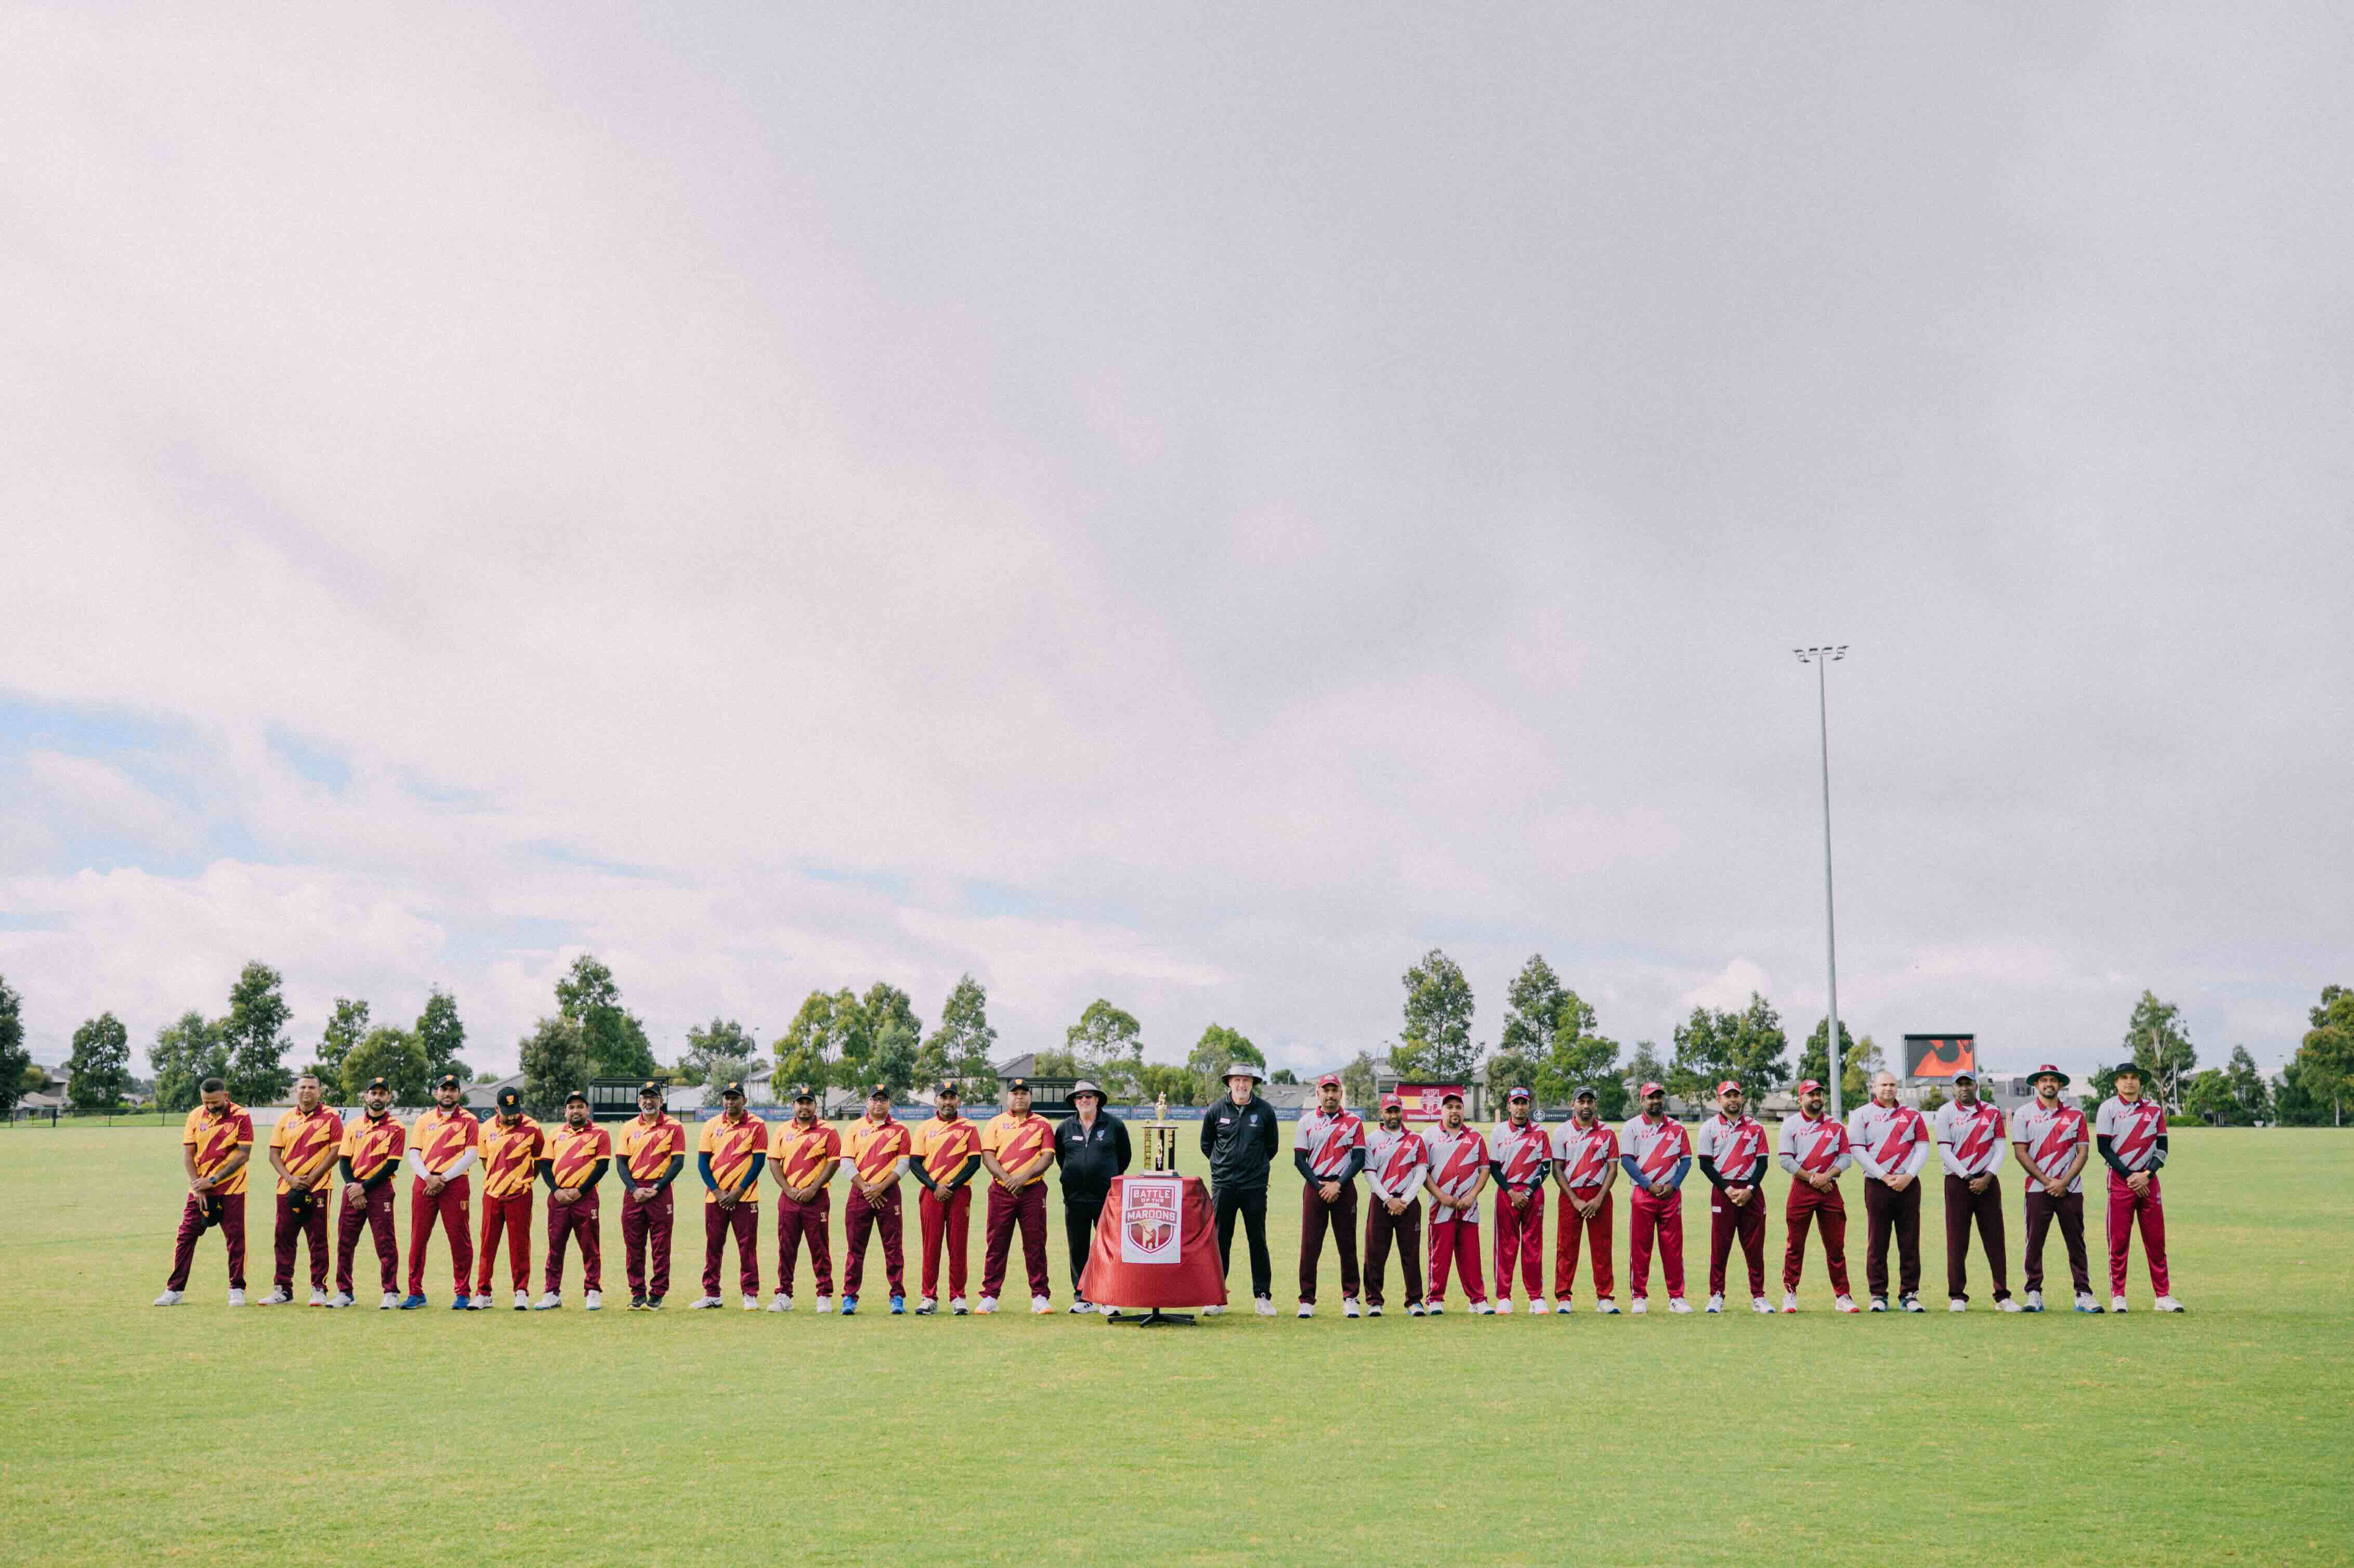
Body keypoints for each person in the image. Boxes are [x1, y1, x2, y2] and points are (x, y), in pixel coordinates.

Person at [154, 1076, 254, 1306]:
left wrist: (213, 1179)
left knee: (235, 1239)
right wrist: (196, 1185)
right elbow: (188, 1155)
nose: (210, 1107)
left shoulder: (242, 1117)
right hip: (200, 1190)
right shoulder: (195, 1116)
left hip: (232, 1188)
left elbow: (243, 1155)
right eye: (206, 1102)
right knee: (186, 1236)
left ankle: (237, 1288)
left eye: (215, 1103)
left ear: (225, 1096)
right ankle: (175, 1290)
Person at [2010, 1064, 2099, 1313]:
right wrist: (2048, 1181)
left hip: (2071, 1189)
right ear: (2037, 1085)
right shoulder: (2024, 1114)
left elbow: (2083, 1151)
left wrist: (2065, 1182)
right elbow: (2020, 1152)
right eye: (2044, 1080)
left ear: (2060, 1085)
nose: (2049, 1084)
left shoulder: (2075, 1115)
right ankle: (2034, 1293)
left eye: (2053, 1080)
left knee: (2076, 1241)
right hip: (2038, 1189)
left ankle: (2083, 1293)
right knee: (2035, 1242)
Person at [2096, 1063, 2183, 1312]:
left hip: (2148, 1182)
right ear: (2116, 1083)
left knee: (2156, 1241)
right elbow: (2104, 1148)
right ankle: (2119, 1296)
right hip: (2120, 1182)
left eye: (2134, 1078)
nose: (2129, 1082)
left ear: (2140, 1082)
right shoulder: (2108, 1109)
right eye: (2124, 1078)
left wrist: (2146, 1174)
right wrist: (2131, 1177)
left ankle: (2162, 1296)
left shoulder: (2154, 1110)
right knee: (2119, 1241)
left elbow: (2163, 1148)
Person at [1199, 1062, 1281, 1316]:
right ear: (1229, 1083)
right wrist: (1222, 1166)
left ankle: (1262, 1297)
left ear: (1252, 1084)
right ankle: (1216, 1297)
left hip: (1254, 1186)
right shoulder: (1216, 1110)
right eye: (1237, 1080)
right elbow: (1207, 1144)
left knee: (1257, 1239)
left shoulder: (1265, 1111)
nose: (1242, 1085)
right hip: (1224, 1185)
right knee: (1221, 1239)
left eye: (1246, 1080)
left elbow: (1272, 1148)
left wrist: (1254, 1169)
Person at [1933, 1070, 2019, 1312]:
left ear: (1976, 1086)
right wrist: (1968, 1176)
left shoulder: (1991, 1112)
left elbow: (2000, 1148)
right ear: (1953, 1089)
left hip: (1988, 1181)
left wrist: (1987, 1177)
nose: (1964, 1089)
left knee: (1995, 1239)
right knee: (1957, 1240)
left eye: (1968, 1084)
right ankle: (1957, 1296)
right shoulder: (1945, 1113)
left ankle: (2002, 1295)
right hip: (1957, 1181)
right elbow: (1945, 1151)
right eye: (1959, 1085)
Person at [1848, 1071, 1931, 1312]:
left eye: (1893, 1085)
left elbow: (1922, 1147)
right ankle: (1878, 1294)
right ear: (1873, 1087)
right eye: (1884, 1084)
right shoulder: (1862, 1114)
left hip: (1908, 1185)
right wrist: (1884, 1176)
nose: (1889, 1089)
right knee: (1878, 1240)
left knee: (1909, 1241)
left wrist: (1909, 1176)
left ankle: (1909, 1293)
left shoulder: (1912, 1115)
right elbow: (1858, 1149)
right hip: (1877, 1185)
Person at [397, 1074, 480, 1310]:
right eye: (443, 1089)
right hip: (424, 1183)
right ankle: (415, 1292)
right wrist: (428, 1178)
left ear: (459, 1094)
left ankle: (463, 1292)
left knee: (459, 1239)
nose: (448, 1094)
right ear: (436, 1093)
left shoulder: (469, 1120)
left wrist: (443, 1178)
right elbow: (414, 1153)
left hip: (454, 1185)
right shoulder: (424, 1120)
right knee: (418, 1238)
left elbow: (471, 1155)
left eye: (452, 1090)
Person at [1777, 1078, 1858, 1312]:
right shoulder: (1791, 1125)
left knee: (1835, 1246)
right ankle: (1790, 1293)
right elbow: (1785, 1160)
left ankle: (1842, 1296)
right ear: (1801, 1098)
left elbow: (1846, 1158)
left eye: (1819, 1094)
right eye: (1811, 1095)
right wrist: (1813, 1178)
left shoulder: (1835, 1126)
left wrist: (1828, 1175)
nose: (1816, 1099)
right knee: (1795, 1244)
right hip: (1802, 1189)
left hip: (1830, 1190)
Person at [261, 1073, 342, 1306]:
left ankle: (319, 1288)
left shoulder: (331, 1117)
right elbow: (274, 1153)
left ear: (319, 1091)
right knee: (283, 1238)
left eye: (312, 1087)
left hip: (319, 1188)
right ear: (296, 1091)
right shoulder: (285, 1119)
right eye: (303, 1087)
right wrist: (290, 1178)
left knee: (318, 1239)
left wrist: (312, 1178)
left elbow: (336, 1151)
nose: (307, 1091)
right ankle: (283, 1290)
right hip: (287, 1188)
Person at [1292, 1073, 1368, 1318]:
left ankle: (1351, 1298)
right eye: (1326, 1090)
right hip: (1315, 1189)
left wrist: (1338, 1185)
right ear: (1318, 1093)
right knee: (1310, 1246)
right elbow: (1299, 1160)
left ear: (1341, 1093)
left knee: (1347, 1245)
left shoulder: (1354, 1122)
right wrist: (1320, 1186)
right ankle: (1307, 1300)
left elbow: (1358, 1159)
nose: (1330, 1095)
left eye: (1334, 1090)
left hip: (1344, 1190)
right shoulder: (1306, 1122)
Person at [1053, 1079, 1130, 1314]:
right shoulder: (1065, 1128)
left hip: (1106, 1198)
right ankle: (1083, 1296)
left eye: (1089, 1096)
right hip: (1075, 1198)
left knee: (1108, 1248)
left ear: (1097, 1100)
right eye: (1080, 1097)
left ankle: (1109, 1297)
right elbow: (1062, 1158)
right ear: (1075, 1102)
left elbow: (1124, 1157)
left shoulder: (1115, 1125)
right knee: (1078, 1248)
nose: (1084, 1100)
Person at [1695, 1079, 1772, 1314]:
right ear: (1719, 1100)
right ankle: (1716, 1295)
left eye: (1736, 1096)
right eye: (1727, 1096)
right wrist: (1727, 1189)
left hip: (1751, 1192)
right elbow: (1705, 1165)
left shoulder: (1756, 1127)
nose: (1732, 1100)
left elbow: (1763, 1162)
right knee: (1720, 1246)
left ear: (1742, 1099)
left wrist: (1749, 1189)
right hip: (1723, 1192)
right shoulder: (1709, 1128)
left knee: (1755, 1247)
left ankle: (1758, 1296)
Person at [979, 1078, 1055, 1314]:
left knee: (1035, 1244)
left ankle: (1040, 1296)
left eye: (1024, 1093)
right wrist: (1007, 1179)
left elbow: (1047, 1157)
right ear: (1007, 1097)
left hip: (1032, 1191)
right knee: (996, 1243)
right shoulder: (995, 1123)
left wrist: (1022, 1179)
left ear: (1030, 1097)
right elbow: (988, 1156)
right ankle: (990, 1295)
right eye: (1015, 1093)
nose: (1019, 1097)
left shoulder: (1043, 1124)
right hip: (1001, 1191)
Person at [690, 1081, 766, 1310]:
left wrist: (738, 1191)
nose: (731, 1102)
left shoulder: (757, 1125)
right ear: (723, 1100)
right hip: (716, 1198)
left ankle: (750, 1293)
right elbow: (703, 1162)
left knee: (747, 1247)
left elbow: (759, 1162)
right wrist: (718, 1191)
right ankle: (712, 1293)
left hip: (745, 1198)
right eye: (727, 1098)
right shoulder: (712, 1125)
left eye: (735, 1098)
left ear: (745, 1100)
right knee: (713, 1246)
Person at [909, 1080, 983, 1315]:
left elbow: (974, 1162)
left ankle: (958, 1297)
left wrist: (951, 1185)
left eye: (952, 1098)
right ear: (936, 1101)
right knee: (931, 1246)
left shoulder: (968, 1127)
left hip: (959, 1193)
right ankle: (928, 1297)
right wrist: (934, 1186)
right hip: (932, 1194)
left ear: (958, 1101)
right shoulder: (924, 1128)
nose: (948, 1102)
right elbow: (915, 1162)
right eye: (944, 1097)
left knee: (958, 1246)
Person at [330, 1077, 406, 1308]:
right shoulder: (353, 1126)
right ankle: (345, 1292)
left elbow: (392, 1165)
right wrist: (354, 1187)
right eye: (374, 1093)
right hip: (353, 1189)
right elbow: (344, 1161)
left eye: (382, 1094)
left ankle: (390, 1291)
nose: (378, 1097)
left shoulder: (397, 1127)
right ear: (366, 1096)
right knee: (345, 1241)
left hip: (379, 1190)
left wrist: (364, 1188)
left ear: (389, 1098)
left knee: (385, 1243)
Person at [1620, 1082, 1693, 1313]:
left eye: (1659, 1097)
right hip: (1644, 1194)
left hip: (1671, 1196)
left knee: (1673, 1248)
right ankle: (1639, 1297)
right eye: (1651, 1098)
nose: (1655, 1101)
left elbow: (1687, 1160)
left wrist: (1674, 1184)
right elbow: (1627, 1161)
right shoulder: (1632, 1127)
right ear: (1642, 1101)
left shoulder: (1677, 1128)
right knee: (1640, 1247)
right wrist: (1648, 1185)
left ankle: (1677, 1297)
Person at [767, 1085, 840, 1314]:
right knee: (786, 1248)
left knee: (819, 1248)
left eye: (809, 1103)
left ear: (815, 1106)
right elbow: (774, 1162)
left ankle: (824, 1295)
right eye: (801, 1102)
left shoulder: (828, 1131)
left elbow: (834, 1162)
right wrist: (788, 1189)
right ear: (793, 1106)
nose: (805, 1107)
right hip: (789, 1199)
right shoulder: (781, 1131)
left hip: (817, 1198)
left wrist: (814, 1187)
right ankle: (784, 1295)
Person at [534, 1090, 610, 1310]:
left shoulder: (600, 1133)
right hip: (558, 1199)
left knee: (590, 1246)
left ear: (587, 1109)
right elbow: (545, 1165)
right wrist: (556, 1190)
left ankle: (593, 1291)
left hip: (585, 1198)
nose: (576, 1111)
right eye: (571, 1107)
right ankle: (551, 1293)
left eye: (580, 1107)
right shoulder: (555, 1133)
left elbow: (602, 1166)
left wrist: (581, 1190)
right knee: (555, 1246)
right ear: (565, 1111)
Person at [843, 1083, 913, 1315]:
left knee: (893, 1248)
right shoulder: (854, 1128)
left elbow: (904, 1164)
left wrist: (880, 1187)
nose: (879, 1103)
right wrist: (866, 1188)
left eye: (883, 1099)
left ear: (889, 1103)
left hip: (889, 1194)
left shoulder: (900, 1130)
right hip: (860, 1193)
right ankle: (850, 1297)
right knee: (855, 1249)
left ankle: (897, 1297)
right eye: (875, 1099)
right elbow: (846, 1162)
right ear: (867, 1102)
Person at [617, 1081, 686, 1310]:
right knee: (634, 1245)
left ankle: (657, 1294)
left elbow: (678, 1162)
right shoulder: (628, 1127)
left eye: (653, 1097)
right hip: (634, 1192)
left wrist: (657, 1187)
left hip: (661, 1192)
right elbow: (621, 1163)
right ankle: (637, 1293)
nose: (649, 1101)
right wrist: (634, 1189)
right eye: (645, 1097)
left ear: (661, 1100)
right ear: (639, 1101)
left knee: (661, 1246)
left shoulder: (674, 1127)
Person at [1550, 1087, 1619, 1315]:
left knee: (1602, 1248)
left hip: (1599, 1195)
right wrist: (1575, 1200)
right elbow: (1557, 1169)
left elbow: (1613, 1169)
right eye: (1582, 1102)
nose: (1586, 1106)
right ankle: (1563, 1297)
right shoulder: (1562, 1132)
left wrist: (1599, 1199)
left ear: (1595, 1105)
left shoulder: (1607, 1132)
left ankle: (1605, 1298)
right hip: (1571, 1196)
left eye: (1590, 1101)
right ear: (1573, 1104)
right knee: (1566, 1248)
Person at [472, 1086, 542, 1311]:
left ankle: (521, 1292)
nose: (511, 1116)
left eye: (515, 1111)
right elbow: (485, 1161)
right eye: (506, 1112)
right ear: (496, 1109)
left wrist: (524, 1180)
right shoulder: (486, 1128)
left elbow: (540, 1160)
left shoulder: (532, 1128)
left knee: (519, 1245)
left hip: (520, 1195)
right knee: (487, 1244)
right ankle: (484, 1293)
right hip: (492, 1194)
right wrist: (498, 1179)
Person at [1422, 1090, 1490, 1314]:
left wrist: (1472, 1196)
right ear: (1441, 1111)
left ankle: (1477, 1300)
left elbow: (1485, 1170)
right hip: (1440, 1207)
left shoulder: (1476, 1137)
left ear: (1463, 1111)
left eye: (1458, 1107)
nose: (1454, 1111)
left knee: (1471, 1255)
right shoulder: (1429, 1136)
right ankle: (1435, 1299)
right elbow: (1423, 1172)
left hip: (1469, 1208)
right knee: (1439, 1255)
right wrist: (1441, 1196)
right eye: (1449, 1107)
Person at [1361, 1093, 1428, 1317]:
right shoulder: (1371, 1140)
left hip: (1408, 1202)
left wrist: (1404, 1200)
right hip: (1381, 1201)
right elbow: (1369, 1173)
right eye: (1389, 1111)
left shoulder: (1415, 1140)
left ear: (1402, 1112)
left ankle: (1414, 1301)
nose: (1393, 1115)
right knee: (1375, 1253)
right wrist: (1388, 1199)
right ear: (1382, 1113)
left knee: (1410, 1252)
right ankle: (1374, 1301)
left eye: (1396, 1111)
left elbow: (1421, 1173)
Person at [1487, 1087, 1551, 1314]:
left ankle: (1536, 1297)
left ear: (1529, 1105)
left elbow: (1546, 1167)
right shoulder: (1499, 1131)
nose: (1520, 1107)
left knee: (1533, 1246)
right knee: (1506, 1245)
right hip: (1507, 1193)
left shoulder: (1541, 1132)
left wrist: (1528, 1192)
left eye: (1524, 1103)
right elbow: (1493, 1168)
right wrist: (1511, 1192)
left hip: (1533, 1193)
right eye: (1516, 1103)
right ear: (1509, 1106)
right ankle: (1504, 1297)